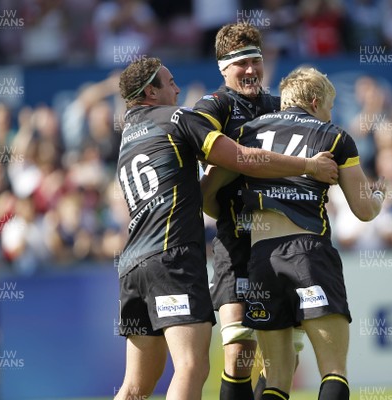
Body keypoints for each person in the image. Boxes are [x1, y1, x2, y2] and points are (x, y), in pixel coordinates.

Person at [113, 57, 338, 400]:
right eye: (170, 82)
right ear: (150, 92)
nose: (177, 88)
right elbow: (242, 158)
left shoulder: (128, 137)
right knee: (191, 367)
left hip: (131, 266)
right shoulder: (177, 119)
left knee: (134, 388)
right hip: (172, 258)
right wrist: (308, 165)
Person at [203, 67, 385, 400]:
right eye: (329, 106)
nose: (331, 114)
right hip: (308, 252)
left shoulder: (246, 134)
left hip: (259, 260)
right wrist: (379, 196)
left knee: (275, 380)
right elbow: (363, 210)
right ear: (316, 102)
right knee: (333, 370)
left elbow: (206, 194)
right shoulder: (333, 136)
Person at [193, 22, 303, 400]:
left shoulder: (278, 108)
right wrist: (236, 164)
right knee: (240, 351)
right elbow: (203, 157)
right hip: (236, 241)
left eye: (256, 60)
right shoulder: (214, 106)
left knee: (285, 357)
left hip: (279, 241)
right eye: (241, 64)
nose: (252, 70)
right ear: (223, 69)